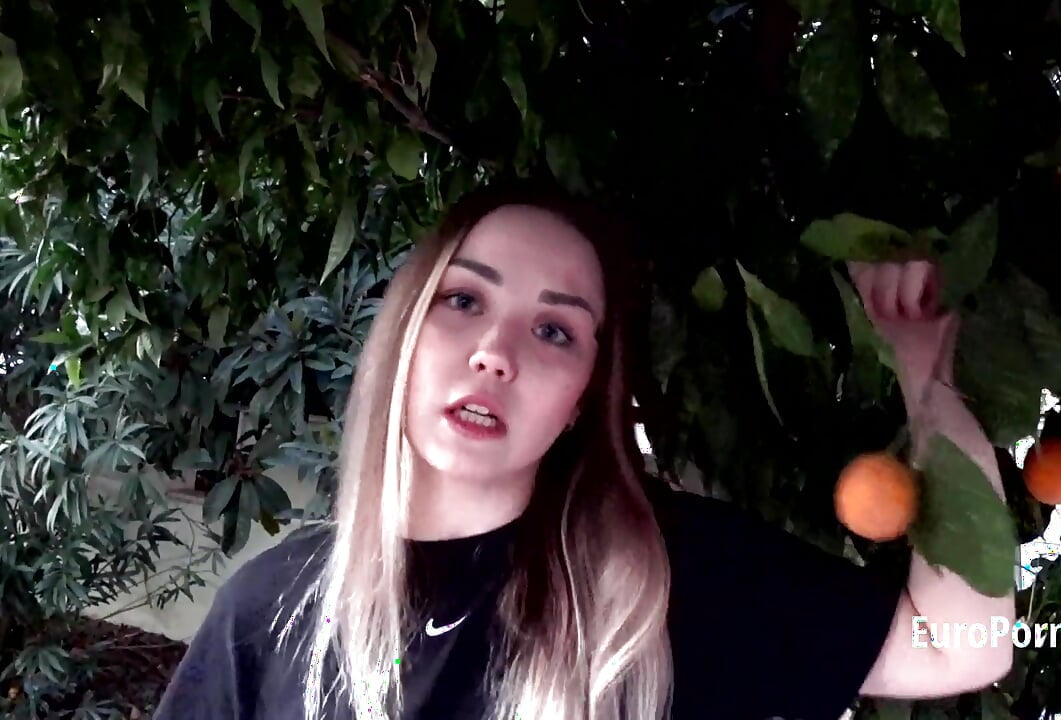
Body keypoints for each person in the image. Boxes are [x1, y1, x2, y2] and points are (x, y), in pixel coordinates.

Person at [152, 180, 1014, 720]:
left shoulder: (667, 576)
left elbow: (963, 644)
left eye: (554, 331)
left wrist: (925, 373)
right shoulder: (269, 613)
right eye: (463, 301)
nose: (496, 353)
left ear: (578, 405)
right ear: (402, 336)